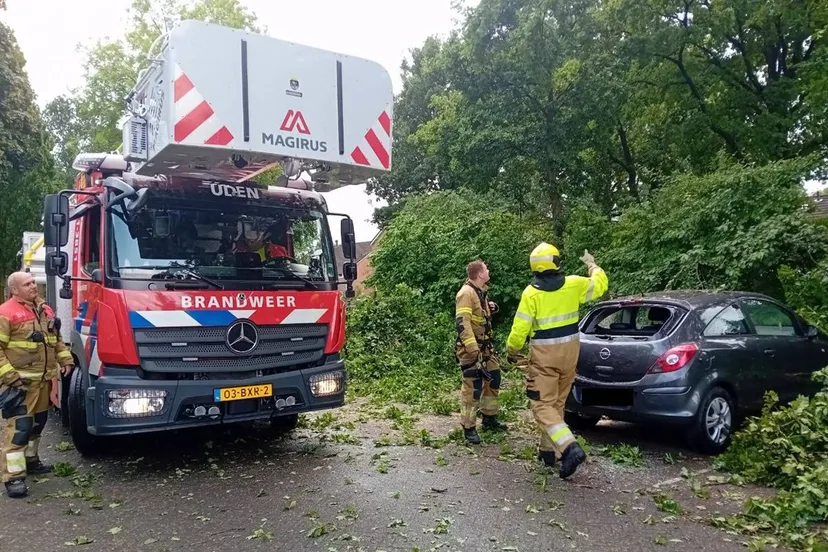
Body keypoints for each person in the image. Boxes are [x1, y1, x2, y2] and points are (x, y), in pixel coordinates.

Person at [506, 245, 608, 479]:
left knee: (542, 405)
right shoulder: (574, 284)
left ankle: (570, 448)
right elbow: (600, 285)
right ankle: (548, 452)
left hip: (544, 356)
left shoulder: (531, 293)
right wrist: (592, 265)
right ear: (556, 262)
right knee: (557, 404)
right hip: (570, 353)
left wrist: (512, 350)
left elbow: (520, 328)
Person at [0, 272, 75, 498]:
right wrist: (10, 376)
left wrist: (65, 359)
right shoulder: (6, 313)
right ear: (15, 290)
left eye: (33, 282)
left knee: (37, 425)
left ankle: (31, 461)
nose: (34, 286)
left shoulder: (45, 310)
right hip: (20, 385)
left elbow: (55, 339)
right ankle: (13, 477)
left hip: (42, 382)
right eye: (27, 284)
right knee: (20, 429)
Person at [455, 260, 506, 445]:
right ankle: (468, 428)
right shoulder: (466, 293)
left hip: (486, 349)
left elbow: (480, 316)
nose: (489, 271)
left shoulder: (480, 292)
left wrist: (492, 307)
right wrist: (473, 349)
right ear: (479, 274)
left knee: (494, 378)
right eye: (486, 269)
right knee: (473, 388)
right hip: (472, 351)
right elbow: (463, 323)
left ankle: (489, 418)